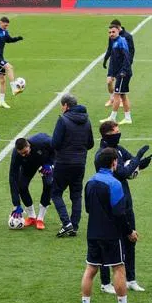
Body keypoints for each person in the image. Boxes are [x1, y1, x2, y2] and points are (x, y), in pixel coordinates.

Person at [79, 147, 142, 303]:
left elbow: (88, 209)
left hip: (92, 233)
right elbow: (120, 213)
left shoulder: (90, 182)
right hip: (111, 235)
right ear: (114, 163)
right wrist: (129, 232)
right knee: (119, 269)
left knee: (91, 269)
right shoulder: (115, 184)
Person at [95, 120, 152, 294]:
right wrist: (137, 159)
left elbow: (131, 162)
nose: (119, 134)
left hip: (126, 201)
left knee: (130, 239)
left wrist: (140, 163)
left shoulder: (118, 149)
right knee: (110, 242)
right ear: (107, 135)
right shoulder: (102, 154)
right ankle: (105, 283)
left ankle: (131, 279)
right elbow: (123, 172)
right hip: (112, 204)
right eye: (116, 132)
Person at [51, 93, 94, 237]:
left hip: (63, 162)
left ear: (66, 106)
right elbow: (90, 144)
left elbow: (55, 143)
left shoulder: (63, 120)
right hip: (80, 163)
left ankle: (66, 223)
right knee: (76, 195)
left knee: (56, 193)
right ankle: (74, 226)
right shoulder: (87, 121)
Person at [10, 133, 55, 228]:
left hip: (45, 163)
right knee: (21, 186)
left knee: (49, 183)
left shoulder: (42, 141)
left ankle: (40, 218)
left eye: (25, 152)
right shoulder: (16, 155)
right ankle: (32, 217)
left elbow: (57, 149)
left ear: (28, 145)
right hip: (29, 166)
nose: (23, 155)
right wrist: (16, 204)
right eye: (21, 153)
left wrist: (50, 163)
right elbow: (13, 177)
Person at [0, 17, 25, 108]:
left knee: (2, 80)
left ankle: (1, 102)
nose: (6, 27)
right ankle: (14, 88)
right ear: (0, 22)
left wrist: (17, 38)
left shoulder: (4, 31)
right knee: (9, 67)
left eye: (7, 25)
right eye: (5, 25)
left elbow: (8, 39)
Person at [103, 19, 135, 111]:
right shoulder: (112, 37)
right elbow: (110, 49)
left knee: (120, 90)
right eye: (110, 32)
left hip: (123, 65)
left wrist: (127, 65)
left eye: (113, 31)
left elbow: (130, 51)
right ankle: (112, 98)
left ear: (118, 28)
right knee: (109, 82)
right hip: (113, 63)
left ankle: (116, 110)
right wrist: (105, 59)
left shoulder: (126, 37)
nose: (111, 33)